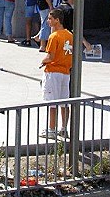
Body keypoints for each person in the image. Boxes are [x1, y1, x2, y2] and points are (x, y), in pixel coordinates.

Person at [40, 9, 73, 138]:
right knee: (64, 102)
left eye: (50, 19)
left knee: (51, 102)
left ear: (57, 20)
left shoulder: (54, 36)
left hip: (53, 72)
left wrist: (43, 61)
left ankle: (51, 130)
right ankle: (64, 129)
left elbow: (50, 56)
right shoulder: (70, 35)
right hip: (66, 72)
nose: (48, 21)